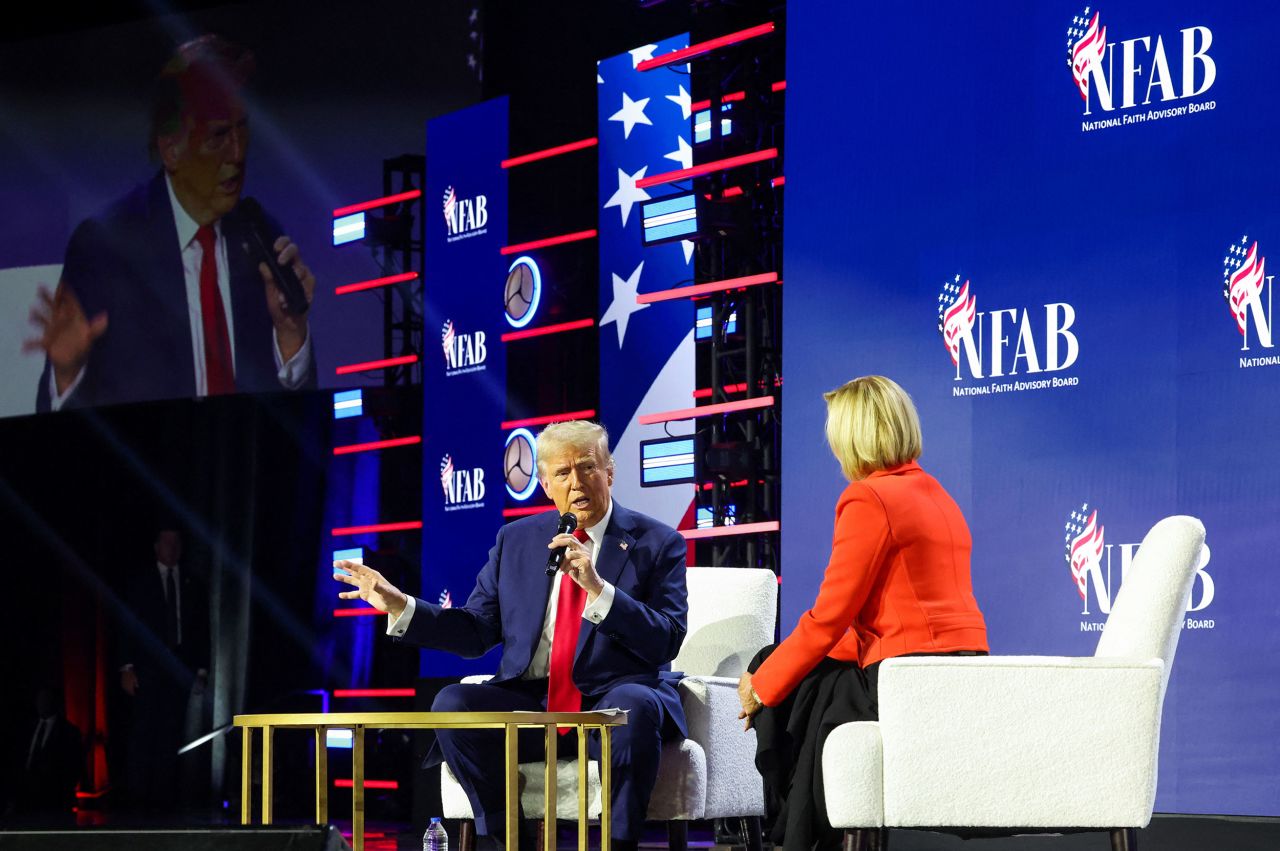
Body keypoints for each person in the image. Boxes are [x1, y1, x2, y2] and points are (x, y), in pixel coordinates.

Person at [334, 421, 688, 851]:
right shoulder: (517, 539)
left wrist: (599, 588)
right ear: (544, 483)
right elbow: (476, 631)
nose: (577, 482)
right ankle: (508, 839)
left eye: (587, 468)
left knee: (633, 707)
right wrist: (399, 604)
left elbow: (666, 639)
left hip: (612, 695)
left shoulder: (658, 542)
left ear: (609, 472)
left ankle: (619, 843)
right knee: (453, 703)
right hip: (531, 701)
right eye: (562, 473)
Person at [736, 376, 988, 851]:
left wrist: (762, 685)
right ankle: (800, 827)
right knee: (794, 672)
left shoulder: (869, 498)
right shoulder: (936, 493)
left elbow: (830, 617)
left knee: (781, 682)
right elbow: (886, 617)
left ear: (852, 435)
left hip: (906, 675)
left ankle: (795, 829)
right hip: (956, 667)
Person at [24, 34, 316, 412]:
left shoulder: (261, 235)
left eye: (242, 129)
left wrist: (291, 335)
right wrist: (67, 374)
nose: (238, 153)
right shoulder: (105, 247)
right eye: (219, 135)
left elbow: (303, 421)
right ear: (171, 148)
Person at [117, 527, 209, 811]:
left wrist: (201, 671)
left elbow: (202, 629)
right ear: (156, 546)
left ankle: (164, 801)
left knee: (171, 733)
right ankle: (138, 800)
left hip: (179, 668)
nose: (173, 548)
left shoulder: (193, 583)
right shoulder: (141, 582)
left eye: (177, 543)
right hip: (148, 667)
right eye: (167, 542)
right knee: (145, 733)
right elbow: (127, 625)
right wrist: (126, 667)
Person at [9, 686, 84, 826]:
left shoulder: (69, 732)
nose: (41, 703)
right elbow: (19, 759)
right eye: (40, 700)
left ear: (54, 702)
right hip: (25, 797)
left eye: (45, 699)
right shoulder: (27, 728)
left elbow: (74, 767)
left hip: (53, 800)